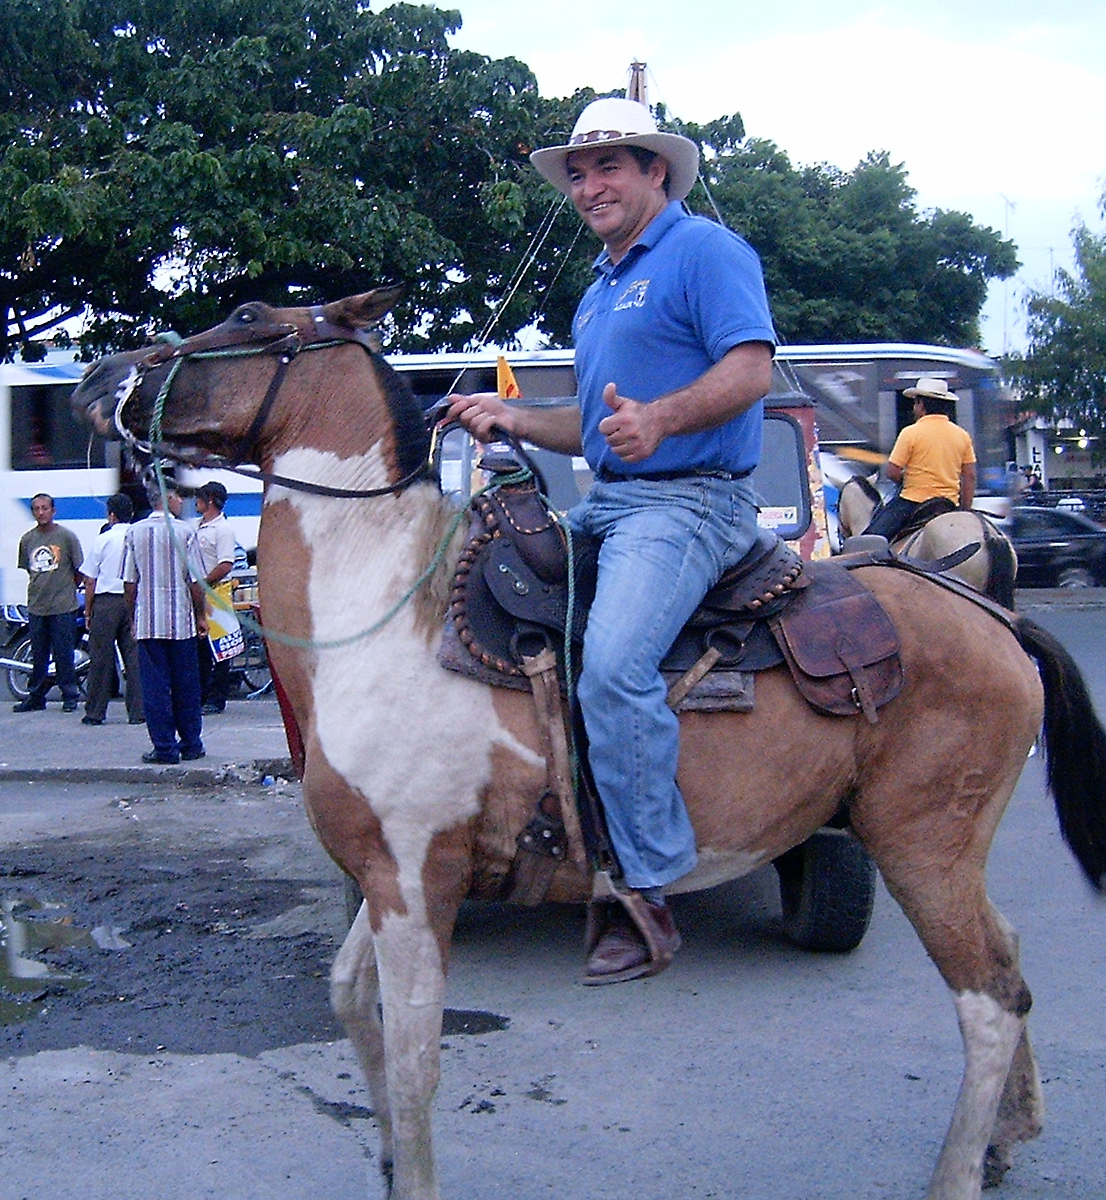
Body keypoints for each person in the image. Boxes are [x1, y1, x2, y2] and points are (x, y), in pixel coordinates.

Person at [447, 96, 777, 984]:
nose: (590, 186)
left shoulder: (704, 250)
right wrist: (509, 415)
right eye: (580, 173)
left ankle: (646, 888)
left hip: (689, 503)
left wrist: (664, 420)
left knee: (614, 667)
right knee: (473, 612)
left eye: (610, 167)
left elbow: (754, 367)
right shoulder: (598, 291)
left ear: (655, 173)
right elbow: (593, 432)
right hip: (610, 503)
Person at [123, 478, 208, 764]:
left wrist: (134, 616)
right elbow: (195, 581)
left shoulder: (134, 533)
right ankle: (191, 743)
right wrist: (200, 615)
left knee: (155, 687)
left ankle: (164, 747)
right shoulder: (185, 533)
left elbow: (130, 582)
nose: (181, 502)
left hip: (149, 622)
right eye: (178, 497)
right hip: (180, 621)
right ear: (168, 499)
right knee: (186, 685)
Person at [862, 378, 977, 541]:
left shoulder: (910, 432)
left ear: (921, 405)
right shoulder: (962, 435)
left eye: (915, 403)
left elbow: (892, 471)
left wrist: (905, 479)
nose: (914, 408)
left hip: (913, 502)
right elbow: (970, 477)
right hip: (948, 504)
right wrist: (965, 510)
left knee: (868, 541)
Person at [13, 492, 84, 713]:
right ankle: (36, 696)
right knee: (39, 654)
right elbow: (29, 568)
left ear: (53, 511)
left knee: (64, 653)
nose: (41, 512)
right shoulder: (27, 539)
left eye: (45, 508)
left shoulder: (66, 537)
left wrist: (67, 589)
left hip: (63, 605)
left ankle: (69, 695)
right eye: (37, 509)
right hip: (37, 605)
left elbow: (78, 570)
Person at [79, 492, 143, 726]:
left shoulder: (103, 539)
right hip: (134, 600)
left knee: (101, 658)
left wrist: (88, 609)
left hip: (106, 602)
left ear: (111, 515)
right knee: (134, 658)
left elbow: (90, 580)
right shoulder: (138, 536)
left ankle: (95, 711)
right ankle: (138, 711)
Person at [192, 481, 240, 714]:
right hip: (199, 593)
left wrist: (205, 582)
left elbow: (226, 563)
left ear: (210, 500)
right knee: (200, 647)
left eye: (199, 498)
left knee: (219, 647)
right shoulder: (199, 527)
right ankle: (201, 693)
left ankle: (217, 697)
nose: (195, 502)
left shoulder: (223, 529)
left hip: (215, 591)